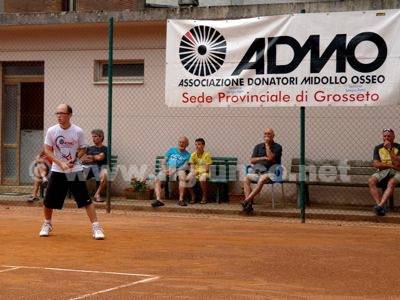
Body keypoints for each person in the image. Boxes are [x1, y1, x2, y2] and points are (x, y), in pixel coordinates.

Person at [38, 103, 105, 240]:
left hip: (75, 170)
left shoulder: (78, 131)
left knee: (86, 201)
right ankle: (47, 224)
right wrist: (60, 163)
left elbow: (83, 149)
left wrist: (73, 161)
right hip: (57, 170)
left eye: (61, 113)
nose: (59, 116)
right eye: (57, 113)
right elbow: (47, 150)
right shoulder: (52, 131)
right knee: (48, 201)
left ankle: (96, 227)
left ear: (69, 115)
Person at [242, 128, 282, 214]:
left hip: (272, 173)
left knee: (262, 179)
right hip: (259, 172)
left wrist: (267, 145)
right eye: (265, 134)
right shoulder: (258, 146)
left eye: (269, 134)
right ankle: (249, 205)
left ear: (273, 136)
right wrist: (263, 158)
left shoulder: (278, 147)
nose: (267, 135)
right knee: (246, 178)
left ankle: (247, 200)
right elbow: (252, 160)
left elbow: (270, 158)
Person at [151, 136, 191, 207]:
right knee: (157, 179)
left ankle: (181, 200)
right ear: (178, 143)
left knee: (182, 176)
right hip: (167, 169)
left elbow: (185, 166)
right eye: (180, 142)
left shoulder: (188, 155)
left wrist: (174, 170)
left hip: (178, 170)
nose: (181, 144)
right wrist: (164, 169)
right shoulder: (171, 150)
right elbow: (164, 162)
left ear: (187, 144)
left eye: (183, 142)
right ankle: (158, 200)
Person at [368, 128, 400, 216]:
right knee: (371, 181)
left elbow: (397, 164)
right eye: (385, 136)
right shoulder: (378, 148)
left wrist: (390, 150)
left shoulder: (398, 147)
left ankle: (380, 206)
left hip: (397, 171)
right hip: (383, 171)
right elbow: (376, 164)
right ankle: (380, 206)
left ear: (393, 137)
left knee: (391, 182)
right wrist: (390, 165)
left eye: (389, 136)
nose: (386, 138)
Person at [81, 129, 108, 203]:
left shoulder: (105, 149)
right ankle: (82, 195)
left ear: (101, 137)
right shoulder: (89, 148)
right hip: (89, 169)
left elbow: (100, 157)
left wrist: (92, 157)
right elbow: (84, 158)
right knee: (79, 173)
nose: (93, 138)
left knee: (105, 174)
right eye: (92, 137)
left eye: (95, 136)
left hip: (100, 169)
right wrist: (94, 157)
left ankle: (97, 194)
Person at [187, 138, 212, 204]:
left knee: (202, 178)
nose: (197, 146)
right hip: (195, 172)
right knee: (188, 178)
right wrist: (193, 173)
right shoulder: (193, 155)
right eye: (196, 144)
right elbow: (192, 167)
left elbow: (207, 169)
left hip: (204, 173)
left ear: (203, 145)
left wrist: (198, 172)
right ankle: (193, 196)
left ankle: (204, 196)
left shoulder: (207, 155)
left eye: (199, 144)